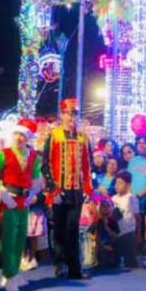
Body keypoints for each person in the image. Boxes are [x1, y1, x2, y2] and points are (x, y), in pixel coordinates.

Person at [0, 119, 44, 291]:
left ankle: (15, 271)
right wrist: (1, 194)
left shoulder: (33, 156)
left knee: (20, 239)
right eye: (16, 134)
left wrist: (32, 194)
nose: (19, 138)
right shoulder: (3, 154)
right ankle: (8, 275)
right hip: (9, 200)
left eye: (22, 135)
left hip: (24, 202)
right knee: (9, 239)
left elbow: (36, 177)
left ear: (27, 138)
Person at [43, 98, 93, 281]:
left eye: (75, 113)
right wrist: (52, 188)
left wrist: (88, 187)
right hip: (59, 190)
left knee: (73, 229)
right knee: (59, 230)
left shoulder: (83, 137)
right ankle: (59, 264)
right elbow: (45, 164)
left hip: (76, 190)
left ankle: (75, 268)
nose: (72, 117)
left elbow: (88, 165)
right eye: (69, 113)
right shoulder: (54, 135)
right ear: (62, 114)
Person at [109, 172, 140, 268]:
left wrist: (138, 234)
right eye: (116, 183)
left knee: (130, 259)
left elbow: (138, 218)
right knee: (117, 259)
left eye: (120, 183)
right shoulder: (113, 198)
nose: (117, 186)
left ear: (128, 185)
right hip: (116, 233)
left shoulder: (131, 197)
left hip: (128, 232)